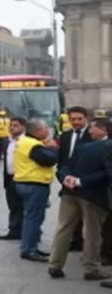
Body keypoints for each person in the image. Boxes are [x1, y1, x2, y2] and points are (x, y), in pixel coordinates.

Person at [47, 118, 110, 280]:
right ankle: (91, 268)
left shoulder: (83, 147)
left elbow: (66, 165)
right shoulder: (105, 147)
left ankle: (55, 264)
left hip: (70, 192)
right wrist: (79, 181)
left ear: (104, 129)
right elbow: (107, 174)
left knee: (64, 228)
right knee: (92, 232)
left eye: (93, 128)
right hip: (93, 195)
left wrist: (66, 177)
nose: (89, 131)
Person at [13, 119, 59, 262]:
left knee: (31, 217)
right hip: (34, 184)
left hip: (24, 182)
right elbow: (49, 160)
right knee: (33, 218)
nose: (47, 131)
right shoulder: (33, 145)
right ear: (37, 131)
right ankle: (28, 250)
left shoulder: (25, 141)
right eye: (45, 128)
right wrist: (53, 148)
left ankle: (30, 246)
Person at [57, 106, 91, 253]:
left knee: (90, 219)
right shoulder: (65, 135)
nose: (76, 122)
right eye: (73, 119)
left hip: (88, 181)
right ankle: (76, 241)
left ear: (86, 118)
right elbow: (62, 160)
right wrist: (63, 177)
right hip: (68, 182)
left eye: (79, 119)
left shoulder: (93, 135)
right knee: (70, 218)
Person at [0, 117, 27, 241]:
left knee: (26, 207)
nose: (12, 127)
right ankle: (14, 230)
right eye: (11, 125)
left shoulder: (28, 140)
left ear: (23, 127)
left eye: (15, 125)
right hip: (10, 178)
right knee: (13, 205)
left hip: (25, 177)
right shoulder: (7, 142)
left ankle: (29, 233)